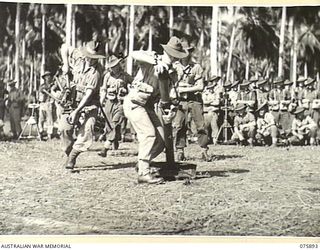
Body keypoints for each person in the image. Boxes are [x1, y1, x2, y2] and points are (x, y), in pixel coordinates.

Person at [123, 36, 188, 184]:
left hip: (148, 106)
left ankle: (142, 164)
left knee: (161, 141)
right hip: (134, 103)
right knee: (149, 135)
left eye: (176, 56)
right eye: (173, 55)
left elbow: (172, 96)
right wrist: (156, 62)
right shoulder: (152, 58)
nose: (174, 59)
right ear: (167, 52)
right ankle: (143, 173)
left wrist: (171, 110)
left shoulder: (173, 73)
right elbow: (133, 53)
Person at [61, 41, 105, 170]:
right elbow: (64, 47)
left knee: (87, 130)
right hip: (72, 101)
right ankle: (68, 151)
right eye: (90, 57)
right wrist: (66, 64)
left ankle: (73, 157)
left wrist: (77, 111)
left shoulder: (96, 72)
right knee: (65, 129)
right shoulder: (79, 57)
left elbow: (88, 95)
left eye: (94, 58)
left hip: (89, 104)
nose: (91, 60)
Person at [172, 40, 210, 161]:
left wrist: (184, 88)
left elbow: (200, 86)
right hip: (180, 101)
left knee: (200, 125)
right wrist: (186, 88)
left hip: (195, 100)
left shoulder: (196, 67)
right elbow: (173, 86)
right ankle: (179, 150)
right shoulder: (174, 67)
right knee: (179, 125)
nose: (186, 53)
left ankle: (204, 150)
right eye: (183, 51)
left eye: (188, 51)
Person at [202, 75, 221, 145]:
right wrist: (211, 102)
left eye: (212, 88)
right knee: (206, 126)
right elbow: (204, 102)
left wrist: (209, 102)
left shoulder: (216, 94)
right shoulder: (205, 94)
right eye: (209, 88)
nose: (211, 89)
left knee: (214, 126)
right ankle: (206, 139)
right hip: (206, 112)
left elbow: (217, 102)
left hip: (213, 112)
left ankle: (215, 139)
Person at [38, 71, 55, 140]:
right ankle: (41, 132)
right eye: (46, 76)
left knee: (49, 119)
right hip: (42, 103)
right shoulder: (42, 86)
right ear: (44, 78)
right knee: (41, 119)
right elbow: (40, 93)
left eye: (49, 76)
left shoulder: (53, 85)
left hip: (49, 103)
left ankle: (49, 134)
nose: (48, 77)